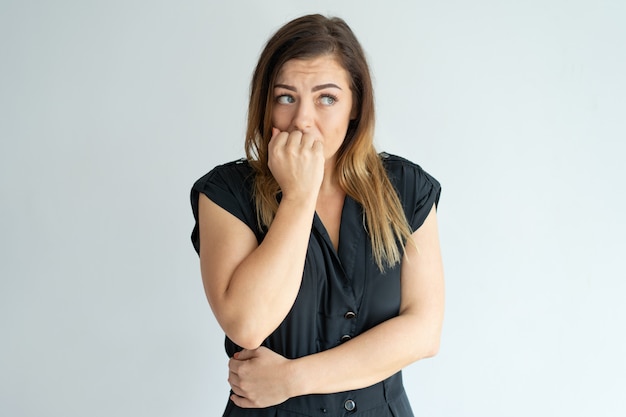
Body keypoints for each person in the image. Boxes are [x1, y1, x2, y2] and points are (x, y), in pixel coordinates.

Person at [190, 13, 444, 416]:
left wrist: (291, 379)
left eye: (326, 98)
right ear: (266, 104)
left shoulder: (406, 188)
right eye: (286, 97)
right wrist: (298, 194)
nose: (303, 120)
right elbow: (248, 324)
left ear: (355, 104)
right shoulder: (226, 193)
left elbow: (423, 332)